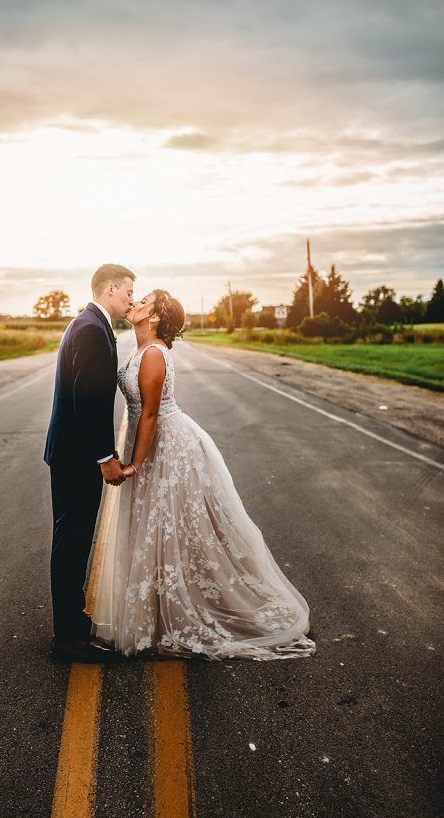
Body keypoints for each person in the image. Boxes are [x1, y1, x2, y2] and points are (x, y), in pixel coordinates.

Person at [89, 289, 317, 661]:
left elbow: (149, 415)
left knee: (172, 528)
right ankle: (157, 614)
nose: (134, 303)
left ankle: (188, 613)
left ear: (155, 318)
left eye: (142, 301)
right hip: (148, 439)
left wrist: (134, 465)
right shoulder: (136, 349)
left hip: (166, 443)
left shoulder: (153, 355)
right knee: (156, 528)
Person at [43, 263, 135, 662]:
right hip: (76, 455)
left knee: (74, 538)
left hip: (69, 451)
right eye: (130, 290)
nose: (132, 298)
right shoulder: (91, 330)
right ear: (111, 288)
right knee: (72, 540)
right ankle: (67, 637)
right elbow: (89, 401)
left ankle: (72, 623)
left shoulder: (89, 323)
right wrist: (105, 458)